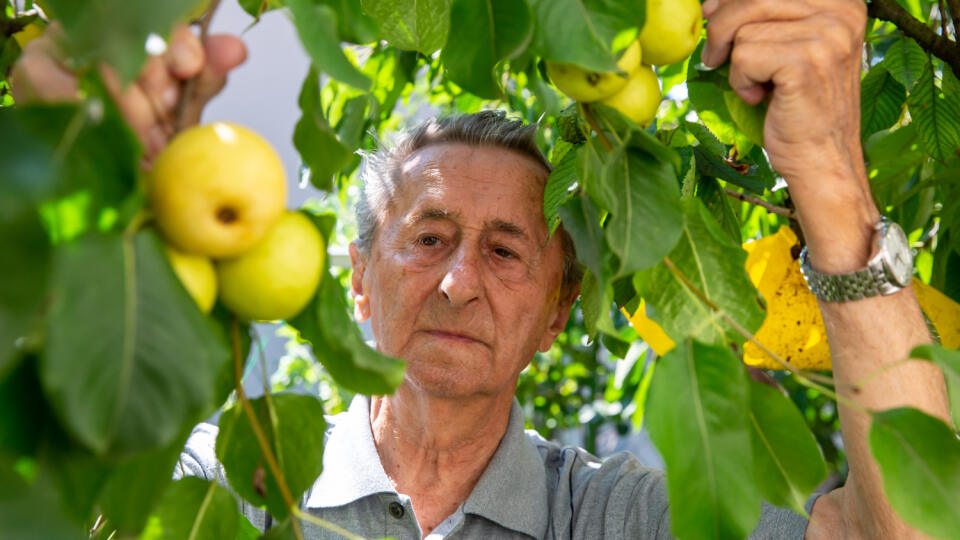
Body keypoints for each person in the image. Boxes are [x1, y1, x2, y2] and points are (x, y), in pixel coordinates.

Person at [13, 0, 950, 538]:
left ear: (555, 314)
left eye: (506, 250)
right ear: (356, 277)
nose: (459, 281)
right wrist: (68, 202)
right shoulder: (224, 483)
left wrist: (828, 170)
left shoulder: (610, 519)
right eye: (427, 237)